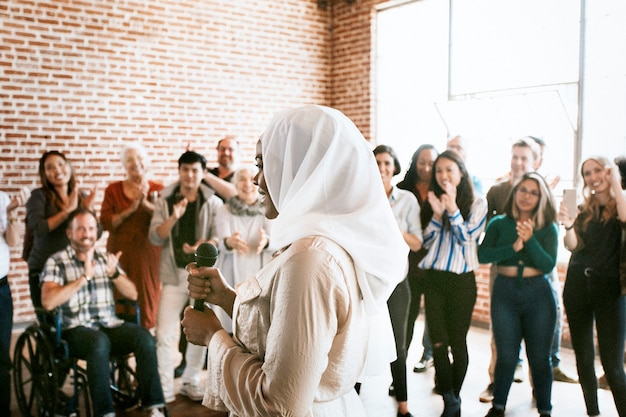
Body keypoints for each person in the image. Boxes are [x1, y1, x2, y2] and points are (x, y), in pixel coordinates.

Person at [181, 105, 409, 416]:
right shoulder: (326, 242)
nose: (259, 181)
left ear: (302, 168)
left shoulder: (311, 260)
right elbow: (286, 333)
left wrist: (214, 336)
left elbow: (280, 404)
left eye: (265, 165)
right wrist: (226, 298)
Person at [40, 209, 167, 417]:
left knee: (144, 337)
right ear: (70, 234)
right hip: (74, 331)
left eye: (91, 228)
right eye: (80, 229)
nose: (87, 233)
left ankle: (153, 406)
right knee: (98, 342)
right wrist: (84, 278)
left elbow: (133, 294)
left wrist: (114, 274)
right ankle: (105, 413)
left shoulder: (104, 258)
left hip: (109, 325)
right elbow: (47, 302)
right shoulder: (57, 261)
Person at [479, 172, 559, 417]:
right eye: (523, 190)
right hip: (505, 292)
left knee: (539, 358)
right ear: (515, 193)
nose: (527, 196)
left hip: (539, 295)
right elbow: (483, 256)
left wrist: (530, 240)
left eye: (534, 192)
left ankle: (545, 409)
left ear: (541, 197)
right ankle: (499, 406)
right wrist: (513, 247)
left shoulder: (548, 227)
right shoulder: (499, 224)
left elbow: (548, 265)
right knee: (506, 355)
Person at [148, 150, 223, 403]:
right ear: (179, 171)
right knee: (165, 333)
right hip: (173, 275)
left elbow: (218, 238)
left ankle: (191, 380)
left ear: (203, 173)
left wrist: (205, 243)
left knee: (200, 329)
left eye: (195, 170)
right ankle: (164, 390)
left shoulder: (213, 202)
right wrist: (174, 217)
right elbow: (155, 236)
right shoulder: (166, 199)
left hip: (201, 274)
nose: (189, 175)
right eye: (185, 170)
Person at [419, 149, 488, 417]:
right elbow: (425, 242)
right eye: (439, 171)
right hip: (435, 279)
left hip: (462, 282)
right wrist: (437, 215)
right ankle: (450, 400)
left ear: (461, 172)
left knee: (457, 343)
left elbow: (468, 238)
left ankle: (454, 394)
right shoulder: (432, 199)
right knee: (437, 342)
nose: (444, 175)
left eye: (449, 170)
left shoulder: (478, 203)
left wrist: (453, 210)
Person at [559, 156, 626, 417]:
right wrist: (568, 225)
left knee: (612, 365)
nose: (592, 176)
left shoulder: (620, 201)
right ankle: (593, 413)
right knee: (584, 358)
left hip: (610, 290)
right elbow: (573, 245)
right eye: (587, 173)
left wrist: (616, 184)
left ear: (609, 171)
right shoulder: (584, 208)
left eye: (597, 170)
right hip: (578, 285)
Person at [479, 137, 541, 402]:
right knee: (499, 331)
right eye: (515, 156)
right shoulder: (497, 191)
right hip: (502, 271)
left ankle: (539, 389)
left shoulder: (542, 191)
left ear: (535, 162)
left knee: (537, 335)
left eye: (523, 158)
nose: (518, 162)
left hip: (535, 272)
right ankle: (495, 383)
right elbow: (488, 232)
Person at [374, 145, 423, 417]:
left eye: (387, 163)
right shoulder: (362, 198)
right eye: (377, 162)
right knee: (359, 337)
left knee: (399, 344)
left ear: (395, 168)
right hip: (366, 281)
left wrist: (394, 227)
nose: (382, 168)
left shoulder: (407, 201)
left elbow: (417, 243)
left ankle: (403, 405)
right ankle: (353, 399)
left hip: (397, 282)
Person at [528, 136, 578, 385]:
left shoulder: (554, 184)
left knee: (554, 311)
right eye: (537, 154)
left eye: (542, 154)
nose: (540, 159)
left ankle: (553, 364)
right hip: (523, 262)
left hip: (548, 258)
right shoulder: (524, 186)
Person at [100, 143, 164, 332]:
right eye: (130, 160)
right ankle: (120, 336)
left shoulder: (158, 188)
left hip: (148, 255)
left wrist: (144, 204)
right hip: (120, 252)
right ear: (124, 165)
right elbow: (105, 222)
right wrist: (131, 209)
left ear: (147, 163)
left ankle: (145, 337)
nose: (135, 163)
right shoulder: (113, 190)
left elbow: (167, 220)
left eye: (139, 159)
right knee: (118, 293)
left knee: (146, 297)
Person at [25, 150, 96, 309]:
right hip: (44, 269)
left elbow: (95, 233)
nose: (57, 170)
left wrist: (88, 209)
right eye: (49, 167)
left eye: (61, 164)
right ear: (44, 174)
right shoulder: (38, 196)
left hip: (75, 268)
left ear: (69, 167)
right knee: (51, 325)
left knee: (76, 323)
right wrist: (67, 212)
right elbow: (39, 229)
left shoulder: (81, 195)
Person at [213, 165, 274, 333]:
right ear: (235, 185)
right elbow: (221, 242)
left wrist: (266, 241)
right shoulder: (224, 210)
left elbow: (276, 239)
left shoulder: (267, 209)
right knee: (230, 323)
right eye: (241, 179)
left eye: (250, 179)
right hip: (232, 270)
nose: (247, 184)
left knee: (257, 324)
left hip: (259, 269)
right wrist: (229, 242)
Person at [397, 144, 438, 374]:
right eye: (422, 162)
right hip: (408, 262)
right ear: (415, 162)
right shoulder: (403, 189)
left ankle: (428, 355)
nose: (426, 167)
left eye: (431, 163)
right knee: (407, 317)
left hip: (433, 263)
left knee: (433, 318)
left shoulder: (441, 190)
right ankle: (399, 370)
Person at [0, 188, 25, 417]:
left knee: (1, 356)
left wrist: (11, 215)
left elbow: (13, 241)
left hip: (1, 289)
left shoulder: (3, 199)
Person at [203, 136, 239, 202]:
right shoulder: (209, 172)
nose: (226, 153)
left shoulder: (241, 177)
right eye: (222, 149)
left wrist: (205, 175)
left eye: (230, 149)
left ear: (237, 153)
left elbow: (236, 195)